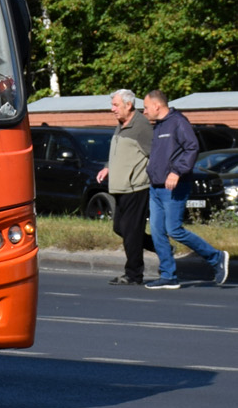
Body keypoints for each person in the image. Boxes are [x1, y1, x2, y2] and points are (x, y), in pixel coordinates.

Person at [143, 89, 228, 289]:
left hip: (175, 186)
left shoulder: (178, 122)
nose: (144, 112)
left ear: (157, 106)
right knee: (157, 232)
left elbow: (192, 147)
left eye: (146, 107)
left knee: (174, 229)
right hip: (156, 187)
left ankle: (216, 258)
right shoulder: (159, 126)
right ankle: (168, 276)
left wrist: (177, 172)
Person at [96, 89, 155, 285]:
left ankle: (133, 274)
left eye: (116, 105)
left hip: (136, 187)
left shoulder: (141, 126)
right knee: (121, 228)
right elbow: (119, 153)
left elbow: (155, 154)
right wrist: (107, 168)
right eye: (112, 105)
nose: (112, 109)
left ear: (128, 105)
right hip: (120, 187)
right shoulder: (122, 124)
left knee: (131, 231)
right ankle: (162, 247)